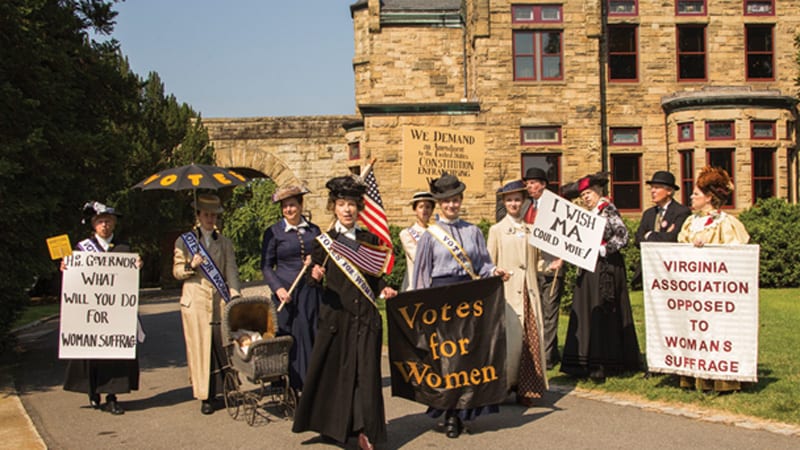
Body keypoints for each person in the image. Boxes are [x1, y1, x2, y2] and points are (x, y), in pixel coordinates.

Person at [292, 175, 397, 450]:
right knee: (335, 375)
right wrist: (314, 275)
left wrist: (385, 288)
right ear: (334, 207)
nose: (347, 209)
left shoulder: (369, 239)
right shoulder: (324, 241)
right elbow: (312, 280)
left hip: (366, 319)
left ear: (359, 208)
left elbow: (375, 277)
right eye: (341, 204)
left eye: (352, 204)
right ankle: (331, 426)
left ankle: (364, 431)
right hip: (336, 318)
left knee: (366, 375)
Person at [413, 173, 509, 439]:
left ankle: (464, 411)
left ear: (461, 201)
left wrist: (495, 271)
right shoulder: (430, 236)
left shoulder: (473, 231)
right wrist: (420, 307)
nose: (452, 206)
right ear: (440, 204)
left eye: (456, 200)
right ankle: (448, 413)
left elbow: (483, 265)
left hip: (467, 299)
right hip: (440, 299)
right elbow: (421, 275)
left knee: (466, 357)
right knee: (445, 359)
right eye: (447, 202)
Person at [560, 172, 641, 381]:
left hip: (606, 267)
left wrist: (603, 249)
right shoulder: (589, 213)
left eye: (588, 193)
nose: (586, 198)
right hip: (588, 266)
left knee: (604, 310)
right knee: (588, 308)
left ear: (598, 191)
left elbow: (623, 236)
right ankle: (584, 362)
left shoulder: (608, 210)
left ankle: (606, 362)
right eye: (583, 195)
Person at [63, 201, 140, 415]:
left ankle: (112, 396)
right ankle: (93, 392)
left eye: (108, 221)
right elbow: (75, 280)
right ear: (94, 225)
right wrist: (66, 268)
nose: (104, 225)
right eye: (100, 221)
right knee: (92, 353)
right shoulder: (82, 249)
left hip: (115, 315)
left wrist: (136, 268)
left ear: (114, 224)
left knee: (114, 354)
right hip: (90, 315)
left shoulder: (124, 249)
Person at [677, 166, 750, 392]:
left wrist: (707, 248)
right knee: (696, 330)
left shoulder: (727, 224)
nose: (691, 197)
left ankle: (722, 379)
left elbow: (735, 254)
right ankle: (696, 376)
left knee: (717, 331)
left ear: (709, 198)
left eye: (696, 194)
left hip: (715, 291)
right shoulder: (690, 222)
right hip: (693, 288)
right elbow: (679, 249)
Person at [173, 193, 241, 415]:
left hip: (219, 300)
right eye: (206, 215)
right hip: (196, 302)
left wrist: (234, 293)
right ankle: (205, 396)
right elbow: (176, 271)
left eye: (213, 215)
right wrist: (191, 265)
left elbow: (231, 269)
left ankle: (228, 390)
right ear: (198, 216)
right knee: (201, 349)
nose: (210, 219)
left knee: (223, 347)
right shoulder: (185, 242)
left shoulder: (225, 242)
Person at [487, 180, 548, 407]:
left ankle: (528, 388)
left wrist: (552, 265)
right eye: (510, 200)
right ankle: (504, 386)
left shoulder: (531, 231)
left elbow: (538, 262)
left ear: (524, 202)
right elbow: (488, 264)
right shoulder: (496, 231)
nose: (514, 204)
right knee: (509, 343)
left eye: (518, 200)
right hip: (508, 295)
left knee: (529, 341)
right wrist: (495, 272)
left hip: (529, 295)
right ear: (504, 202)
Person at [260, 184, 322, 392]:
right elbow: (266, 266)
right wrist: (278, 288)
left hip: (311, 292)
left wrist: (317, 268)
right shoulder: (273, 233)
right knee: (292, 338)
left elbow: (323, 258)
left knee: (311, 333)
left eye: (292, 205)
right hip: (286, 294)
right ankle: (293, 385)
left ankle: (312, 383)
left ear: (301, 205)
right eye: (285, 206)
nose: (289, 210)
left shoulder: (314, 230)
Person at [523, 167, 565, 370]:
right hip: (533, 267)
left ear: (543, 185)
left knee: (549, 312)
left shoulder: (555, 207)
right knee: (537, 312)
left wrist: (562, 259)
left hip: (552, 265)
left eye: (533, 183)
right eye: (528, 183)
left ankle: (546, 358)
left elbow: (568, 237)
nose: (529, 187)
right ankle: (551, 352)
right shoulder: (526, 207)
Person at [398, 191, 435, 291]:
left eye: (428, 207)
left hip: (435, 284)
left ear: (432, 210)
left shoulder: (438, 232)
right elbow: (418, 257)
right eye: (421, 206)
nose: (424, 210)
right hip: (414, 286)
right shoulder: (406, 233)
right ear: (415, 210)